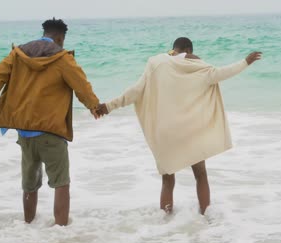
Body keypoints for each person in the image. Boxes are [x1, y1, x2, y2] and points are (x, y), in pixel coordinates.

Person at [96, 37, 261, 215]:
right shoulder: (200, 67)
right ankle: (206, 217)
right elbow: (222, 73)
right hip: (190, 131)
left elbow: (135, 91)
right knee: (200, 175)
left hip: (166, 133)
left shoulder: (156, 63)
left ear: (173, 49)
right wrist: (245, 62)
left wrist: (108, 106)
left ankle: (165, 220)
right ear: (189, 50)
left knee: (167, 180)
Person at [0, 18, 101, 226]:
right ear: (61, 38)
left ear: (44, 32)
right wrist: (94, 106)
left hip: (25, 132)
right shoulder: (62, 58)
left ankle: (28, 226)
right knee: (61, 184)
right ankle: (62, 234)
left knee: (30, 185)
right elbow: (81, 85)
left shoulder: (17, 54)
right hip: (51, 132)